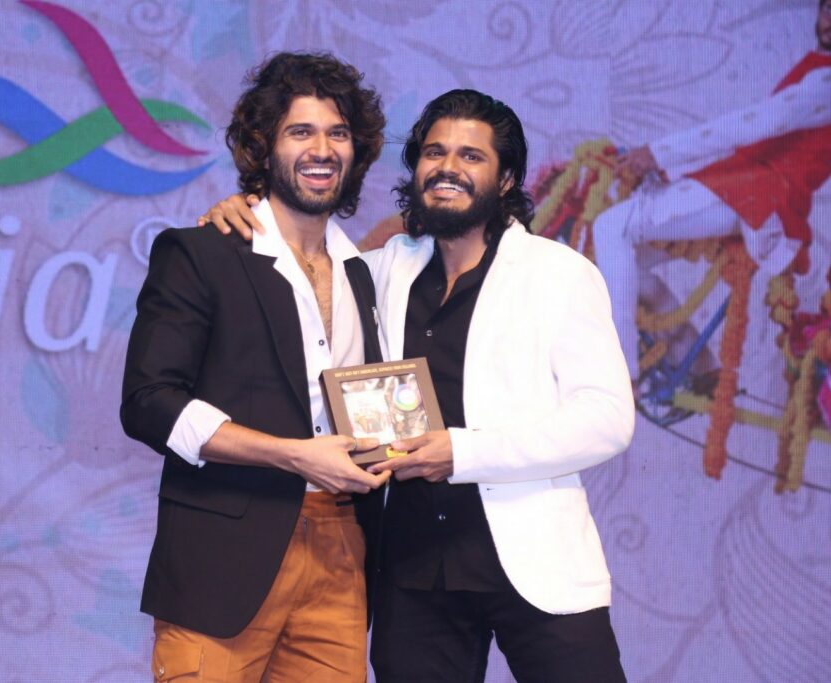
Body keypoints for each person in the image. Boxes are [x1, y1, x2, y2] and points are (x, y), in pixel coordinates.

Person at [202, 89, 635, 682]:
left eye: (471, 156)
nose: (448, 168)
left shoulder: (558, 274)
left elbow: (607, 419)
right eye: (434, 152)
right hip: (412, 570)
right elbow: (304, 265)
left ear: (507, 179)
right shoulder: (382, 268)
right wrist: (250, 216)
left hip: (536, 562)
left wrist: (461, 452)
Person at [120, 52, 390, 682]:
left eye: (338, 133)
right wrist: (294, 456)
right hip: (222, 558)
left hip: (341, 553)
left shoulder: (367, 274)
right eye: (301, 132)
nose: (321, 150)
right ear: (263, 146)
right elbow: (148, 402)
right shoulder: (202, 253)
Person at [593, 0, 831, 383]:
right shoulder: (818, 67)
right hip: (749, 184)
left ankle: (618, 374)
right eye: (829, 9)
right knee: (628, 259)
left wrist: (658, 153)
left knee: (611, 226)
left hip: (760, 195)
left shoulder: (826, 83)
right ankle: (698, 365)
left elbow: (753, 124)